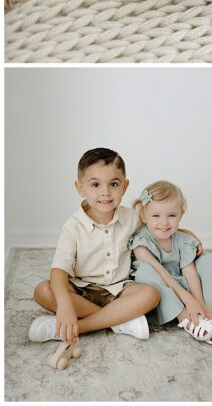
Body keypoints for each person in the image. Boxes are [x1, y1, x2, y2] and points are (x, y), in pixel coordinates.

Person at [29, 148, 161, 345]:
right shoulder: (73, 226)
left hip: (119, 291)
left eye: (114, 184)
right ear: (80, 188)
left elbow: (158, 227)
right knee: (43, 291)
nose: (105, 192)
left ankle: (77, 327)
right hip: (82, 291)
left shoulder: (131, 218)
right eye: (95, 185)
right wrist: (64, 305)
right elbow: (58, 271)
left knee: (151, 295)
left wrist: (189, 235)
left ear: (124, 186)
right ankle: (118, 321)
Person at [128, 181, 212, 346]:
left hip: (181, 282)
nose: (164, 223)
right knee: (146, 271)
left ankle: (206, 314)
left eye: (171, 216)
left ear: (181, 214)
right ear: (144, 216)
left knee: (209, 260)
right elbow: (163, 275)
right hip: (160, 287)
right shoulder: (141, 242)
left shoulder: (183, 240)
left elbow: (190, 272)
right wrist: (188, 301)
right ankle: (187, 318)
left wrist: (199, 303)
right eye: (156, 216)